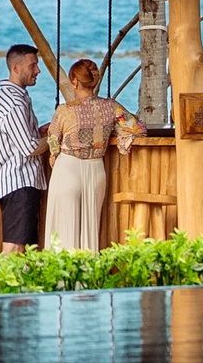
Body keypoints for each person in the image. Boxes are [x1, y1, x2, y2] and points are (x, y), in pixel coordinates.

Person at [44, 58, 144, 250]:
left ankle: (62, 279)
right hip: (96, 170)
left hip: (68, 168)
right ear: (94, 81)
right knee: (89, 232)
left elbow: (53, 142)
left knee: (62, 232)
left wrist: (54, 158)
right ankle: (87, 277)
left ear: (74, 82)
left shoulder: (65, 111)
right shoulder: (111, 107)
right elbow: (137, 127)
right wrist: (120, 135)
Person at [0, 45, 47, 252]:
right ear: (16, 68)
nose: (37, 70)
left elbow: (19, 139)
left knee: (24, 250)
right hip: (19, 182)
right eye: (33, 65)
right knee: (13, 249)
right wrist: (56, 137)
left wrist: (40, 131)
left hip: (18, 182)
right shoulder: (14, 103)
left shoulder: (12, 98)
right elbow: (29, 147)